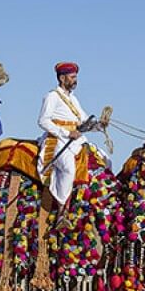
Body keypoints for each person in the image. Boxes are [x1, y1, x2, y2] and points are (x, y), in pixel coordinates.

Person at [36, 62, 89, 206]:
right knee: (68, 169)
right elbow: (43, 121)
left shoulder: (73, 98)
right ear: (62, 78)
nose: (75, 80)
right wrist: (66, 133)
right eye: (72, 77)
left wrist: (99, 125)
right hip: (57, 139)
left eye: (75, 77)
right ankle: (61, 210)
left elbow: (84, 120)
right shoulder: (52, 96)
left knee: (104, 159)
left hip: (75, 140)